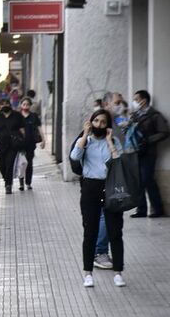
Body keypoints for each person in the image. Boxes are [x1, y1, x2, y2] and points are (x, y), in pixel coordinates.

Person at [70, 109, 125, 287]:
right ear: (91, 122)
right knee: (90, 231)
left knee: (115, 231)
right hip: (90, 188)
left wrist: (110, 142)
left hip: (110, 187)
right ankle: (88, 274)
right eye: (96, 121)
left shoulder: (114, 141)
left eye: (103, 122)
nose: (99, 125)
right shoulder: (85, 141)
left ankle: (118, 272)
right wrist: (85, 135)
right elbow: (74, 157)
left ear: (107, 125)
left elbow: (118, 162)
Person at [130, 90, 169, 218]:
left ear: (144, 100)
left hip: (149, 152)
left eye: (136, 99)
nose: (134, 102)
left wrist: (148, 140)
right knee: (138, 181)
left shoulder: (155, 115)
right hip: (137, 151)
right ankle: (141, 210)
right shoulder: (135, 115)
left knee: (147, 180)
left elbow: (164, 132)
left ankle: (158, 209)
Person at [0, 98, 25, 194]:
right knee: (1, 165)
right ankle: (6, 179)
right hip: (0, 145)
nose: (4, 105)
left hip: (13, 145)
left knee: (10, 164)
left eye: (6, 104)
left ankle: (8, 184)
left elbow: (22, 130)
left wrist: (24, 142)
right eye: (2, 104)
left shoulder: (17, 115)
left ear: (10, 104)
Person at [18, 97, 45, 191]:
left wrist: (43, 140)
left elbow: (39, 128)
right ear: (21, 105)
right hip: (20, 144)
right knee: (21, 163)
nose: (25, 106)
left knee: (29, 163)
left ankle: (28, 182)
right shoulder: (17, 116)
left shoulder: (34, 116)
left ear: (30, 106)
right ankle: (21, 182)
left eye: (27, 104)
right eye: (24, 104)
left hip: (30, 144)